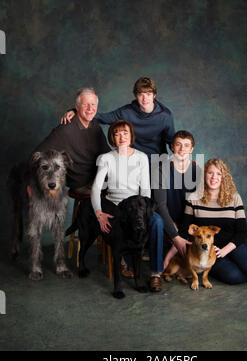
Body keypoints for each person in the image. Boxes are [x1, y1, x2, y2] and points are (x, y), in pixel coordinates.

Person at [90, 119, 165, 292]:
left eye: (125, 133)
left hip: (138, 204)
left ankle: (155, 273)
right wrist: (98, 212)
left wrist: (145, 212)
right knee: (124, 225)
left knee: (157, 222)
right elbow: (96, 187)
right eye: (117, 134)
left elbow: (145, 188)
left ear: (131, 135)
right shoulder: (106, 158)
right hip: (116, 205)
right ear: (112, 138)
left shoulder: (141, 157)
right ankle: (126, 262)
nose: (121, 137)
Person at [60, 77, 175, 161]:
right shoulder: (126, 112)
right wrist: (76, 111)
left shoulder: (165, 116)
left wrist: (183, 158)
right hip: (132, 160)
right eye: (141, 94)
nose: (145, 99)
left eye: (148, 94)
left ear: (154, 95)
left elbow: (172, 142)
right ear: (136, 95)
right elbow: (102, 118)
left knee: (160, 192)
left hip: (157, 162)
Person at [34, 87, 110, 194]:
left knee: (126, 186)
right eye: (85, 104)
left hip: (98, 178)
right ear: (77, 107)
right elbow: (37, 155)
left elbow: (107, 152)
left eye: (93, 104)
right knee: (114, 194)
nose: (90, 108)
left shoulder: (95, 125)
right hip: (82, 183)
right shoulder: (65, 130)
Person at [152, 130, 203, 278]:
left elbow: (199, 203)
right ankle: (168, 255)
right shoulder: (161, 169)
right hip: (169, 219)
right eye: (178, 145)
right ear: (172, 147)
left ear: (192, 149)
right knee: (158, 221)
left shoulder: (196, 170)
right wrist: (175, 235)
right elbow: (160, 205)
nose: (182, 149)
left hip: (188, 222)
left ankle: (170, 254)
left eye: (186, 146)